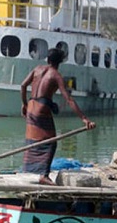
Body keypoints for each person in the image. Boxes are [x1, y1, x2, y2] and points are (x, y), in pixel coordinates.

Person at [20, 48, 96, 185]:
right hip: (41, 109)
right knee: (51, 142)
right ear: (60, 62)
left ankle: (29, 169)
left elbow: (23, 85)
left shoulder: (37, 69)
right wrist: (84, 118)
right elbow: (69, 99)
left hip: (31, 106)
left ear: (48, 60)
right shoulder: (55, 75)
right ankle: (43, 175)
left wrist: (24, 105)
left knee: (33, 139)